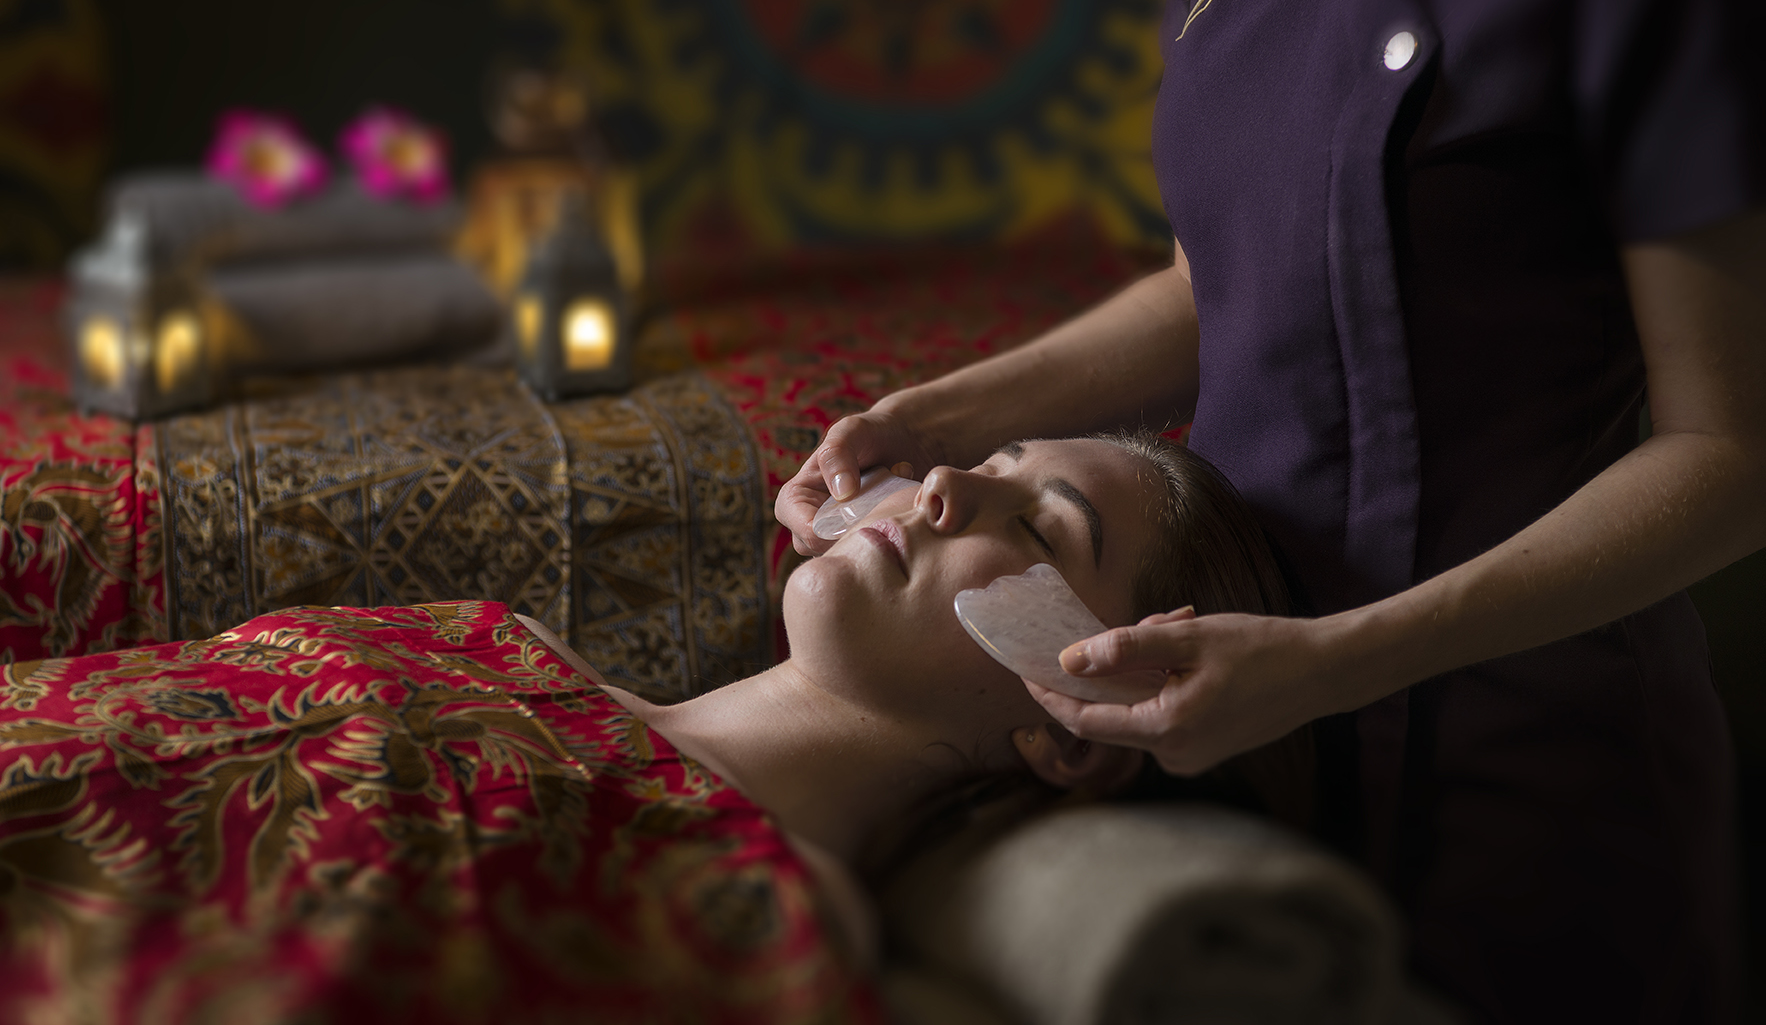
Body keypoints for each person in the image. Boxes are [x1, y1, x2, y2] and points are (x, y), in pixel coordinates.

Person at [776, 0, 1766, 1019]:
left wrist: (1338, 660)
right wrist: (934, 416)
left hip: (1525, 761)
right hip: (1227, 742)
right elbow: (1216, 283)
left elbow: (1731, 455)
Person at [0, 432, 1288, 1023]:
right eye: (989, 464)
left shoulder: (768, 922)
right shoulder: (492, 638)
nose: (948, 483)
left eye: (1041, 527)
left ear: (1072, 735)